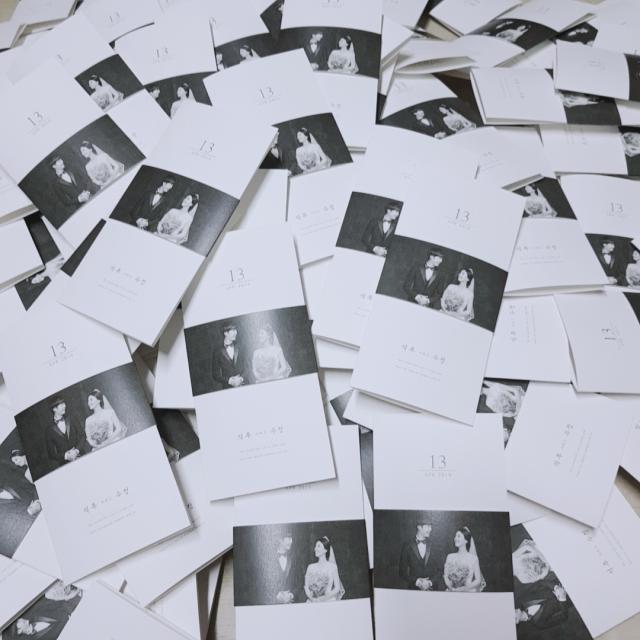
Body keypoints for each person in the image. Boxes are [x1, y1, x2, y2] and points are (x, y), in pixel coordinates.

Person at [45, 398, 86, 471]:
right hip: (66, 465)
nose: (64, 406)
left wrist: (76, 451)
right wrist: (66, 456)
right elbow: (51, 454)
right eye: (61, 404)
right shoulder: (49, 430)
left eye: (64, 403)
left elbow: (83, 436)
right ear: (54, 409)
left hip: (82, 457)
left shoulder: (71, 418)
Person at [443, 527, 486, 592]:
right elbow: (446, 576)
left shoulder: (473, 558)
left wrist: (464, 588)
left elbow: (478, 580)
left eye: (458, 536)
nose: (455, 538)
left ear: (466, 541)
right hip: (451, 591)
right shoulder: (449, 556)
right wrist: (451, 588)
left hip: (467, 592)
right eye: (455, 536)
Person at [304, 536, 345, 602]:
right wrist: (311, 598)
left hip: (328, 600)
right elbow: (306, 586)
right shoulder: (310, 567)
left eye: (318, 546)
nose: (315, 549)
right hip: (312, 601)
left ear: (326, 550)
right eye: (315, 546)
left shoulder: (332, 567)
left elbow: (337, 588)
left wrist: (324, 598)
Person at [398, 521, 435, 590]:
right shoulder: (407, 545)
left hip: (432, 590)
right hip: (413, 589)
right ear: (419, 527)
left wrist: (430, 582)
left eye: (431, 526)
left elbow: (439, 570)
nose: (430, 529)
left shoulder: (434, 545)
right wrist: (416, 581)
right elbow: (402, 572)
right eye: (428, 526)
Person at [211, 324, 247, 389]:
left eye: (236, 330)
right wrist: (230, 381)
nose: (236, 332)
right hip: (228, 388)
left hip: (244, 385)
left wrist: (241, 379)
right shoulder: (217, 351)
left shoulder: (240, 347)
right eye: (233, 330)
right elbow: (215, 375)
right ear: (225, 333)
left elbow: (247, 367)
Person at [273, 533, 298, 604]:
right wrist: (277, 596)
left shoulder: (294, 559)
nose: (291, 541)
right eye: (289, 538)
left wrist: (291, 595)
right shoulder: (268, 558)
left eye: (291, 538)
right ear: (280, 540)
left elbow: (299, 583)